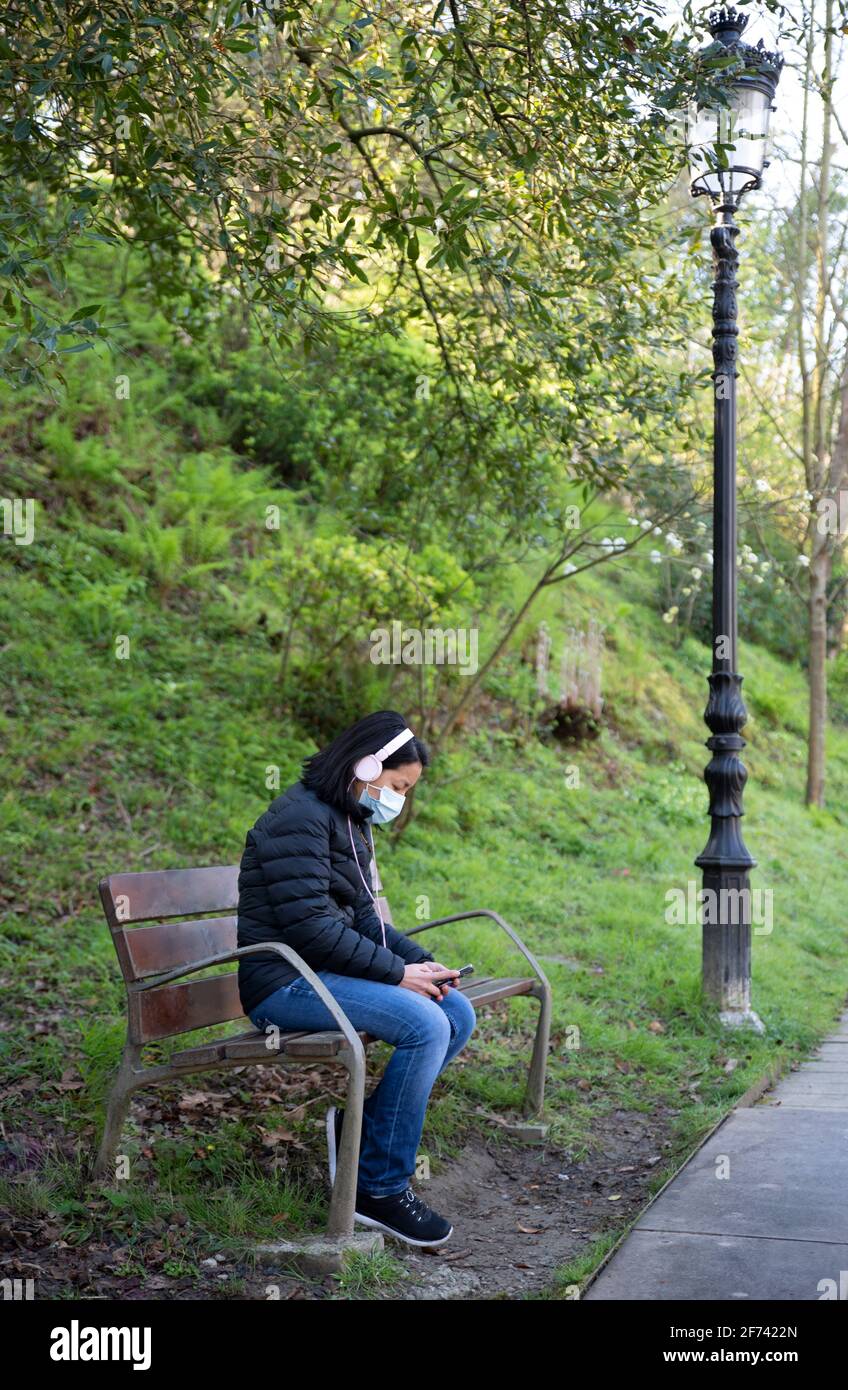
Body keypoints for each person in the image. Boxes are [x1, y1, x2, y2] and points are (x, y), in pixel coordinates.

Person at [236, 709, 477, 1248]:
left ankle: (361, 1136)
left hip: (323, 974)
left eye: (407, 791)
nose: (399, 800)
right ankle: (379, 1187)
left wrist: (425, 964)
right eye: (397, 786)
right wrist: (397, 975)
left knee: (454, 1011)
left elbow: (368, 919)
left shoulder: (349, 818)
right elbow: (312, 928)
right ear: (366, 765)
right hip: (283, 983)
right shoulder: (297, 817)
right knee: (425, 1025)